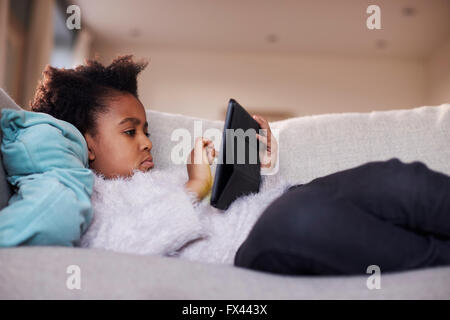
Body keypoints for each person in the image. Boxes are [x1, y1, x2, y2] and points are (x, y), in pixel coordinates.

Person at [30, 55, 450, 275]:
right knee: (303, 220)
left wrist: (262, 166)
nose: (146, 143)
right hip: (255, 245)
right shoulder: (92, 201)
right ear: (86, 144)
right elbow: (123, 250)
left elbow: (246, 201)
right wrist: (195, 186)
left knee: (398, 177)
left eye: (147, 132)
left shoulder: (162, 178)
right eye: (130, 132)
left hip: (290, 200)